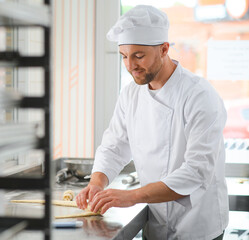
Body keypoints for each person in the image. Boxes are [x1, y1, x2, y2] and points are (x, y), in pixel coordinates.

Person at [76, 5, 228, 240]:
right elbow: (114, 145)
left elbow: (197, 171)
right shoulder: (130, 94)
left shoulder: (199, 95)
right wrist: (97, 182)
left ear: (164, 49)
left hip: (197, 227)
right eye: (124, 56)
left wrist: (132, 196)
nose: (130, 66)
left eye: (138, 56)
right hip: (155, 222)